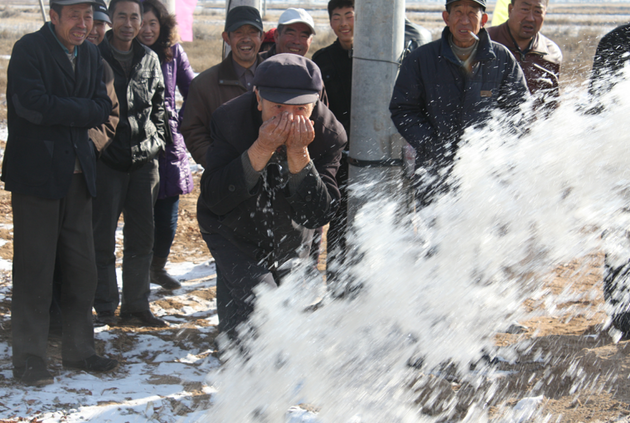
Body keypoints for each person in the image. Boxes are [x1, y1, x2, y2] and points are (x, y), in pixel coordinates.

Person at [4, 0, 119, 386]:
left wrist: (72, 109)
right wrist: (80, 110)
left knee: (82, 267)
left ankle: (80, 350)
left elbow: (103, 107)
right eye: (74, 15)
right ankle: (31, 357)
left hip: (78, 174)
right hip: (37, 176)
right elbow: (31, 106)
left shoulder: (90, 54)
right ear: (52, 16)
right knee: (35, 270)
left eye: (88, 16)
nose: (83, 24)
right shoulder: (29, 50)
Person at [197, 54, 346, 341]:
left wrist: (299, 155)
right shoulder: (229, 120)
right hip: (230, 229)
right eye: (278, 107)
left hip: (291, 232)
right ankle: (237, 367)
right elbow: (216, 197)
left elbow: (317, 215)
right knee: (259, 309)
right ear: (258, 98)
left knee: (290, 313)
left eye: (300, 108)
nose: (289, 118)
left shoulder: (328, 133)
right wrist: (261, 148)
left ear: (315, 103)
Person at [390, 0, 529, 207]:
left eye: (472, 14)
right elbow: (403, 109)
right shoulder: (422, 59)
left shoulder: (501, 59)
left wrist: (496, 147)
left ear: (483, 20)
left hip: (486, 176)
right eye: (458, 13)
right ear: (446, 18)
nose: (464, 21)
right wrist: (430, 144)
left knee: (484, 234)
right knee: (437, 234)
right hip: (434, 172)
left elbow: (519, 110)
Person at [94, 0, 168, 327]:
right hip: (105, 161)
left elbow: (160, 108)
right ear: (110, 19)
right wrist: (98, 147)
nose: (128, 23)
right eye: (121, 16)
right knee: (101, 234)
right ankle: (105, 303)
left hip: (143, 163)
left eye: (134, 17)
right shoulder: (94, 56)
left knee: (142, 237)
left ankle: (136, 306)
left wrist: (158, 141)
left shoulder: (150, 59)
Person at [49, 0, 120, 334]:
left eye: (96, 23)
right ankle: (49, 318)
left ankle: (78, 327)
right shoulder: (44, 54)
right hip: (47, 168)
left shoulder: (100, 65)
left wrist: (86, 145)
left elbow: (107, 114)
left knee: (82, 251)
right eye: (83, 20)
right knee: (45, 253)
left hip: (90, 166)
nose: (92, 28)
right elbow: (38, 107)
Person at [138, 0, 195, 290]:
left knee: (168, 215)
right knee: (139, 214)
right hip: (135, 141)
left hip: (169, 144)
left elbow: (192, 89)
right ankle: (136, 274)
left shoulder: (173, 54)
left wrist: (180, 121)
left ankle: (156, 267)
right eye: (142, 23)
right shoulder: (126, 52)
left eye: (153, 23)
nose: (147, 30)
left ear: (163, 26)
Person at [181, 6, 263, 168]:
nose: (246, 38)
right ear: (226, 37)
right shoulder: (204, 84)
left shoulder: (275, 79)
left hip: (271, 180)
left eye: (252, 32)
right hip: (225, 181)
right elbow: (193, 131)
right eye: (239, 32)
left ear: (262, 37)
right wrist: (218, 165)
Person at [588, 24, 630, 339]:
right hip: (620, 161)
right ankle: (623, 316)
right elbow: (598, 103)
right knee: (620, 240)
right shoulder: (615, 42)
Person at [312, 0, 354, 295]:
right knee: (338, 222)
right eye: (336, 17)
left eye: (349, 15)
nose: (343, 23)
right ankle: (337, 289)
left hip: (376, 155)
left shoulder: (378, 55)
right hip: (339, 155)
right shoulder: (322, 58)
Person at [487, 0, 562, 103]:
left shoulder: (550, 53)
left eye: (537, 11)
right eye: (525, 9)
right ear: (510, 9)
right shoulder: (485, 43)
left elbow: (552, 105)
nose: (530, 18)